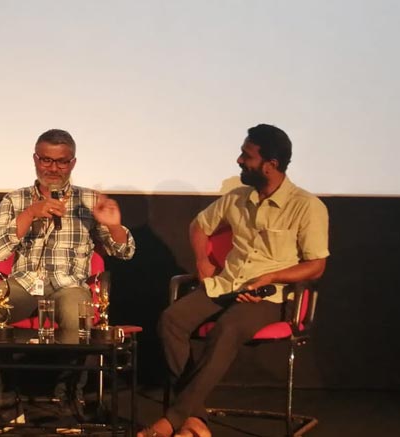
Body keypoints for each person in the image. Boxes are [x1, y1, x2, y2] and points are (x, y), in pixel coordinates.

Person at [138, 124, 329, 437]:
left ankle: (172, 419)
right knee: (171, 320)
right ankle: (195, 419)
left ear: (271, 164)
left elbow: (316, 265)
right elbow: (199, 226)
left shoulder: (306, 206)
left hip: (270, 295)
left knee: (228, 327)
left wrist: (272, 275)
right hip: (226, 284)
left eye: (247, 156)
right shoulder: (237, 198)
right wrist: (202, 260)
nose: (239, 160)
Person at [0, 128, 136, 431]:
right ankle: (7, 404)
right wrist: (29, 214)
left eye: (61, 162)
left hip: (69, 284)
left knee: (77, 315)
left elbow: (125, 252)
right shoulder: (15, 199)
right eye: (46, 160)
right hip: (23, 283)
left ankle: (66, 402)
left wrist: (114, 227)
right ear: (35, 159)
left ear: (72, 163)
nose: (53, 168)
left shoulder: (89, 199)